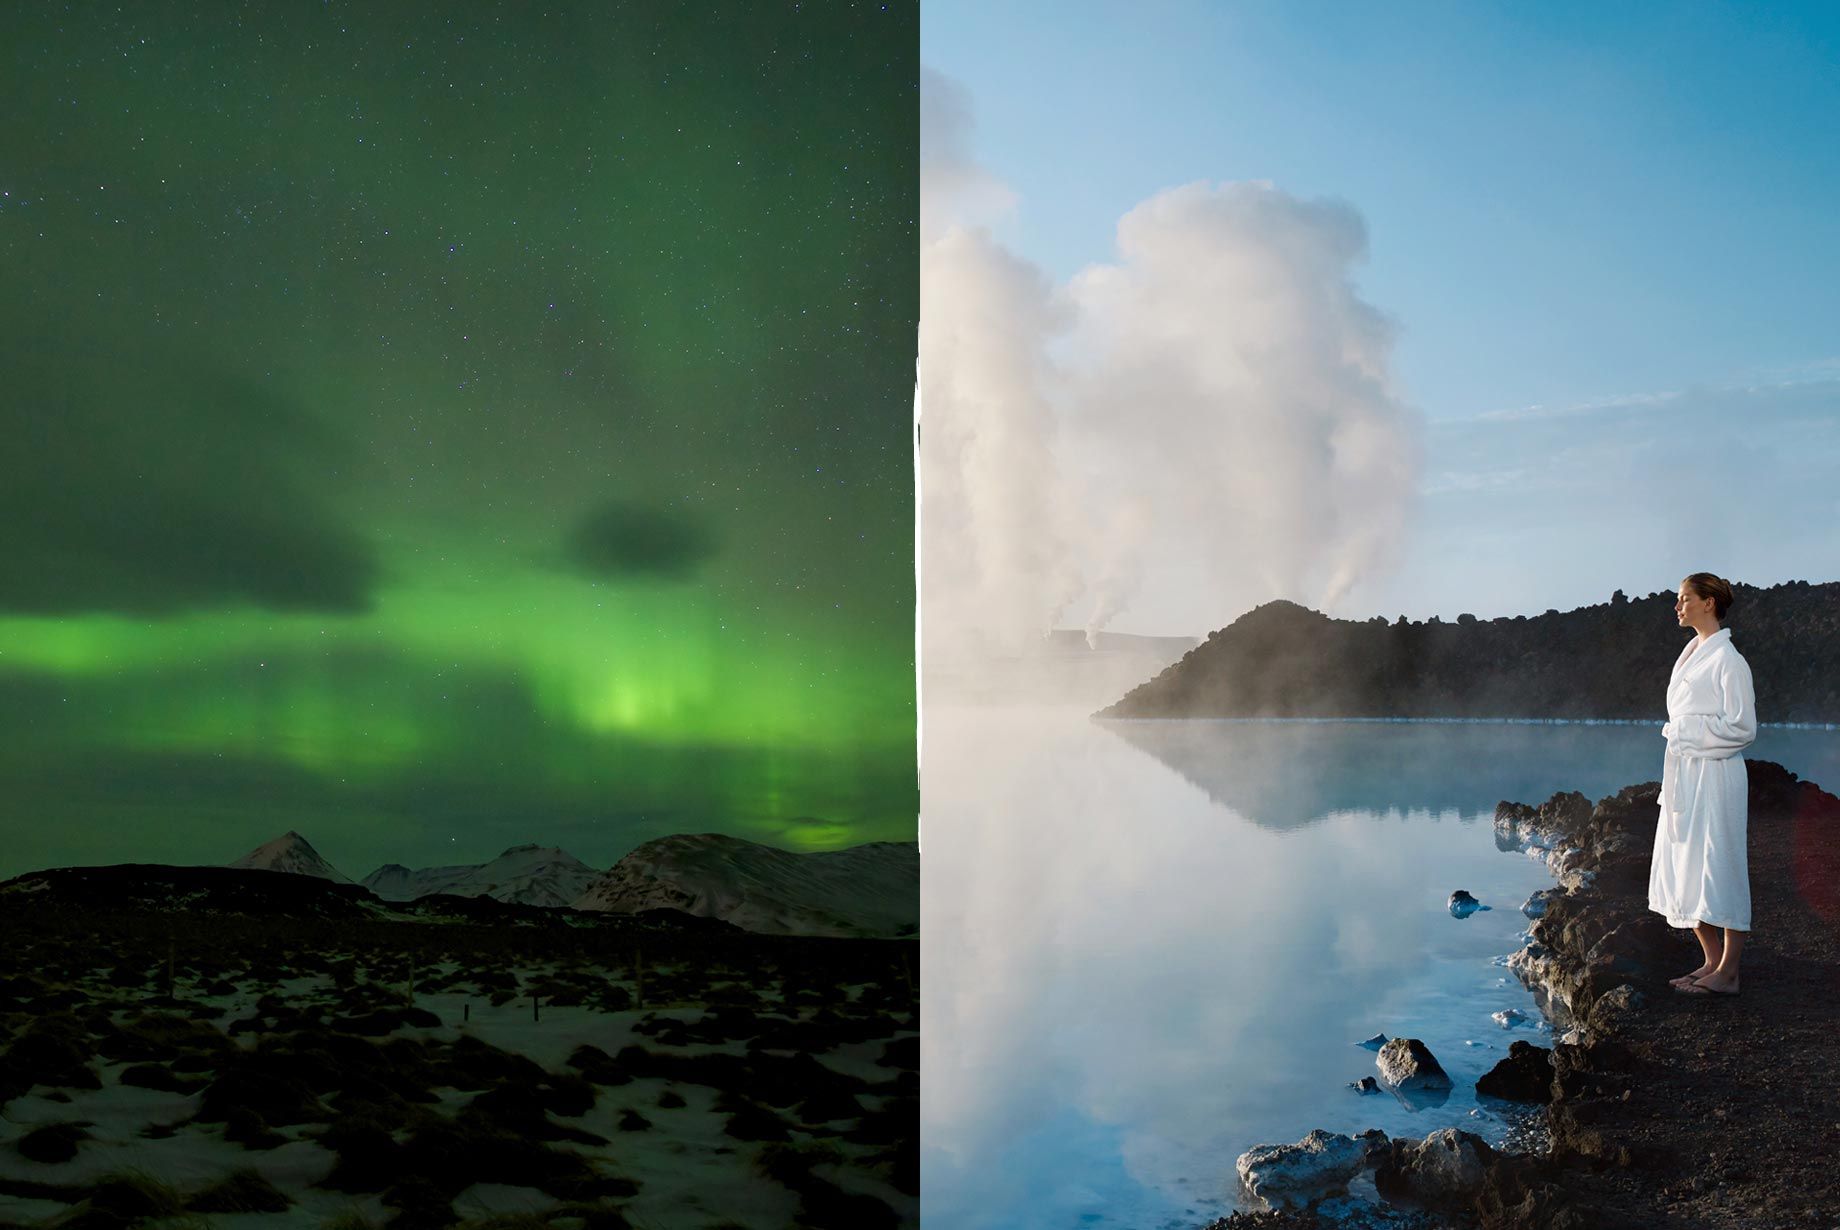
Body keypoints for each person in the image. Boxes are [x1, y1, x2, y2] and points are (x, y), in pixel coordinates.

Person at [1652, 573, 1755, 997]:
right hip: (1688, 775)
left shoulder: (1729, 661)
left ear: (1709, 603)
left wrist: (1686, 734)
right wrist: (1682, 738)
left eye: (1684, 599)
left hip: (1716, 775)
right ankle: (1711, 960)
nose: (1677, 607)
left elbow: (1743, 727)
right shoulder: (1692, 654)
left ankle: (1729, 972)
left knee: (1720, 864)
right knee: (1686, 861)